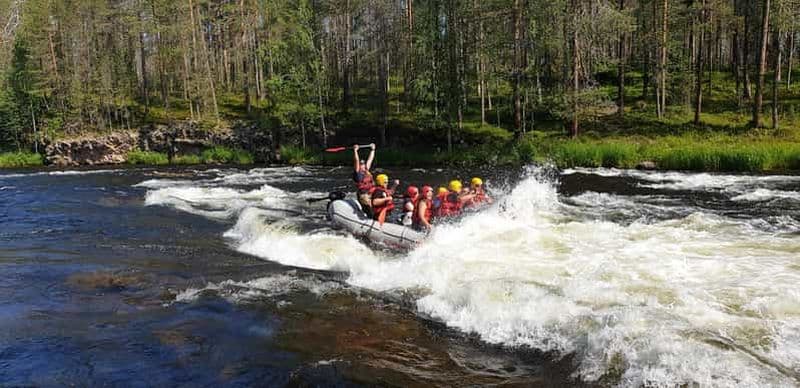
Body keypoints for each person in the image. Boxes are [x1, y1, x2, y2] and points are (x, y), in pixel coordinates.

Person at [353, 143, 376, 214]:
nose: (362, 166)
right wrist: (355, 151)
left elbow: (370, 159)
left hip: (371, 193)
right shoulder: (357, 173)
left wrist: (373, 149)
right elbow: (356, 160)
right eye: (361, 165)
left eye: (363, 164)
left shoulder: (366, 170)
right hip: (363, 195)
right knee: (369, 207)